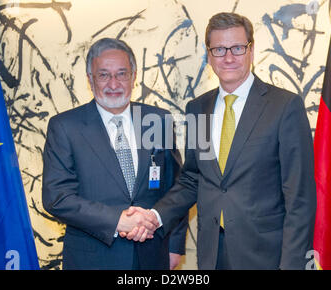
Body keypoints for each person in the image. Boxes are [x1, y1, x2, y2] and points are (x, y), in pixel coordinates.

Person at [123, 12, 316, 270]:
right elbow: (194, 178)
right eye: (219, 49)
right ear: (209, 54)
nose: (228, 57)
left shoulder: (284, 106)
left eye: (237, 48)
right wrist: (155, 216)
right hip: (212, 253)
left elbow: (300, 196)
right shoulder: (198, 108)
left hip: (267, 255)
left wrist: (291, 265)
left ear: (251, 49)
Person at [42, 38, 188, 270]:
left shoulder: (158, 120)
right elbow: (57, 197)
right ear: (90, 79)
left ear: (134, 76)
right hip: (92, 259)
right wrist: (117, 220)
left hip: (153, 256)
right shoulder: (65, 127)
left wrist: (175, 245)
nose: (114, 83)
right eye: (103, 75)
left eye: (122, 74)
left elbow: (177, 188)